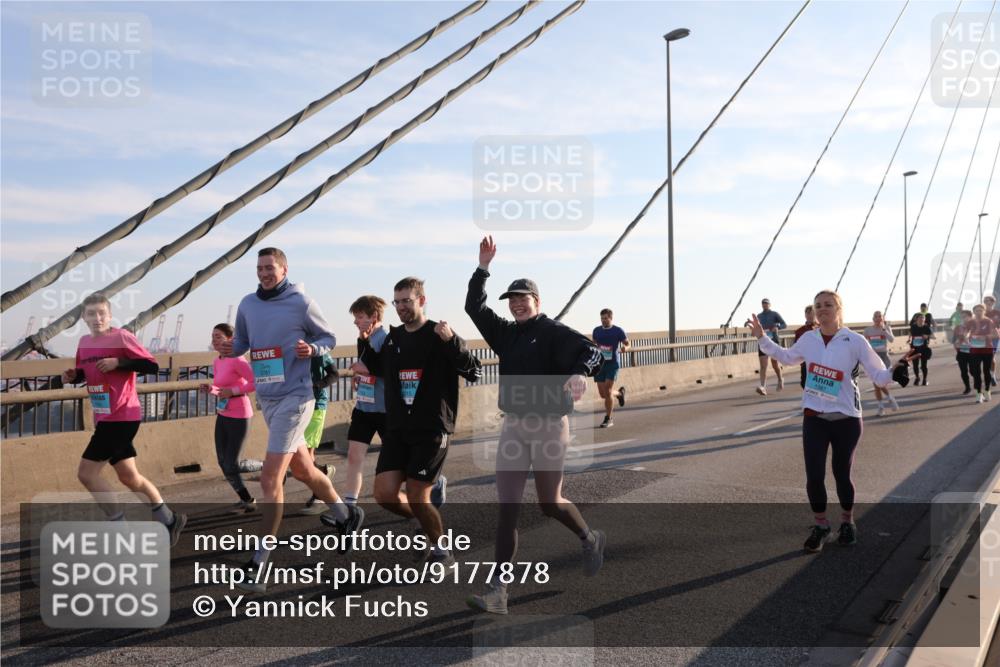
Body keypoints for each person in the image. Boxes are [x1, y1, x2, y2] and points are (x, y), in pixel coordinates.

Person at [465, 236, 606, 615]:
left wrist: (579, 373)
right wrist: (482, 268)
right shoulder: (505, 334)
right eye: (511, 300)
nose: (516, 304)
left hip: (548, 426)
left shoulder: (553, 331)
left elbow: (593, 351)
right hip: (513, 426)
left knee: (549, 502)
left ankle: (589, 537)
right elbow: (473, 307)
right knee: (507, 508)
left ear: (537, 302)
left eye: (522, 298)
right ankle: (499, 590)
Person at [221, 247, 361, 593]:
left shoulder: (301, 300)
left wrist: (312, 349)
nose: (264, 273)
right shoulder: (247, 305)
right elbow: (241, 343)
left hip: (298, 396)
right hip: (268, 397)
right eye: (260, 268)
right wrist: (230, 349)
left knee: (271, 478)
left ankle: (259, 565)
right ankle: (346, 515)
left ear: (284, 270)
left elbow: (328, 338)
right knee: (303, 469)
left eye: (270, 267)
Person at [751, 289, 915, 553]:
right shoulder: (808, 339)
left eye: (828, 305)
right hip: (814, 417)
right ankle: (821, 525)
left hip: (847, 419)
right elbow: (786, 357)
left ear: (839, 309)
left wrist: (895, 370)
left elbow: (879, 376)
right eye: (818, 305)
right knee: (814, 476)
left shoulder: (855, 340)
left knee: (841, 473)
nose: (822, 309)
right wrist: (762, 338)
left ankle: (847, 523)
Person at [356, 277, 482, 567]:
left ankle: (442, 553)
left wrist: (452, 342)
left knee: (416, 495)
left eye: (407, 301)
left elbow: (473, 371)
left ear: (421, 301)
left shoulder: (439, 334)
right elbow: (376, 369)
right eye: (397, 302)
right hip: (398, 427)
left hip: (432, 427)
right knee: (384, 495)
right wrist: (364, 341)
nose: (401, 307)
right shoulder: (393, 338)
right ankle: (424, 520)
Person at [62, 293, 187, 546]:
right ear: (84, 318)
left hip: (122, 415)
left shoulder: (121, 337)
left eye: (101, 313)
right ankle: (170, 519)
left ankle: (120, 532)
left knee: (86, 474)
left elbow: (152, 366)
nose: (97, 318)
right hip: (104, 416)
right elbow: (86, 375)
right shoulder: (84, 342)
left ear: (109, 315)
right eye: (91, 314)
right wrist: (72, 376)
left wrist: (118, 362)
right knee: (129, 477)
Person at [200, 323, 257, 511]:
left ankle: (268, 466)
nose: (214, 340)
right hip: (223, 413)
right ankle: (247, 500)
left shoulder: (238, 360)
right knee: (222, 461)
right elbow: (220, 389)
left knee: (233, 463)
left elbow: (255, 382)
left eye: (218, 336)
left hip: (240, 414)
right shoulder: (217, 361)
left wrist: (232, 391)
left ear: (230, 339)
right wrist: (211, 389)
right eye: (212, 336)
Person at [299, 352, 338, 515]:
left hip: (316, 406)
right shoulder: (289, 347)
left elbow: (334, 374)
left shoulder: (321, 353)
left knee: (306, 454)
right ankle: (323, 472)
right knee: (301, 458)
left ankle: (320, 496)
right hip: (296, 405)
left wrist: (317, 385)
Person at [592, 308, 629, 428]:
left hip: (613, 364)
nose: (603, 321)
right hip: (600, 364)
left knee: (607, 392)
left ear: (611, 318)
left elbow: (628, 343)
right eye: (602, 318)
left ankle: (608, 418)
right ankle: (619, 393)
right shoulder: (597, 331)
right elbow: (594, 344)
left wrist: (625, 348)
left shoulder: (618, 331)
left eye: (605, 318)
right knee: (603, 395)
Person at [862, 311, 899, 416]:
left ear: (883, 318)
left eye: (880, 317)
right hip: (873, 358)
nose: (878, 319)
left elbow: (891, 340)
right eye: (876, 317)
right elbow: (862, 344)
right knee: (876, 384)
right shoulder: (868, 330)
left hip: (884, 357)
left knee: (880, 383)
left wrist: (885, 330)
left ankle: (887, 400)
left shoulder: (886, 328)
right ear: (873, 319)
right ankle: (883, 405)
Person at [751, 298, 787, 395]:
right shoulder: (759, 316)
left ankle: (780, 379)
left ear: (769, 305)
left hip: (773, 340)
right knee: (763, 366)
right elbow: (756, 328)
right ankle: (763, 387)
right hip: (763, 342)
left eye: (766, 303)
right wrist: (754, 330)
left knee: (775, 364)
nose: (765, 305)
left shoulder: (774, 314)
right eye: (763, 303)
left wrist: (777, 327)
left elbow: (784, 324)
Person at [968, 303, 999, 403]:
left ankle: (987, 390)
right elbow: (965, 333)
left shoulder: (988, 321)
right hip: (975, 350)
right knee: (976, 372)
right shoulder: (970, 322)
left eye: (981, 310)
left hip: (987, 349)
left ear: (984, 311)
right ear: (974, 312)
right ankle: (978, 393)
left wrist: (985, 337)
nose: (978, 312)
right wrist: (966, 336)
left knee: (986, 371)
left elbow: (996, 335)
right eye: (976, 310)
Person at [793, 305, 819, 389]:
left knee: (818, 386)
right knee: (804, 383)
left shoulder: (821, 328)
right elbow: (796, 347)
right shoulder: (799, 331)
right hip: (805, 362)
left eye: (812, 314)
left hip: (819, 363)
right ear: (805, 315)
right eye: (808, 314)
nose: (810, 316)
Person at [908, 313, 935, 386]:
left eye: (923, 318)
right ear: (916, 319)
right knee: (915, 365)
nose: (921, 319)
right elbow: (910, 334)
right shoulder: (913, 327)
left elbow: (933, 336)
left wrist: (927, 336)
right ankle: (917, 378)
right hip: (914, 348)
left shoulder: (926, 327)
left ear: (924, 320)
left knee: (923, 366)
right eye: (920, 318)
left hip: (923, 348)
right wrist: (909, 339)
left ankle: (924, 379)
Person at [952, 309, 974, 396]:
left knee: (973, 371)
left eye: (965, 317)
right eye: (962, 317)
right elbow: (954, 340)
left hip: (973, 352)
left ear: (970, 317)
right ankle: (967, 387)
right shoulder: (958, 327)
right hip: (962, 352)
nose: (963, 318)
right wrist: (956, 345)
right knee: (963, 371)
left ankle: (977, 384)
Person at [984, 295, 1000, 387]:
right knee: (986, 358)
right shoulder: (981, 313)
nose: (987, 302)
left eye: (989, 301)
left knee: (991, 356)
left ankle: (992, 376)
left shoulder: (997, 313)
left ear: (993, 302)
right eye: (985, 301)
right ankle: (989, 375)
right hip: (984, 338)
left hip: (995, 337)